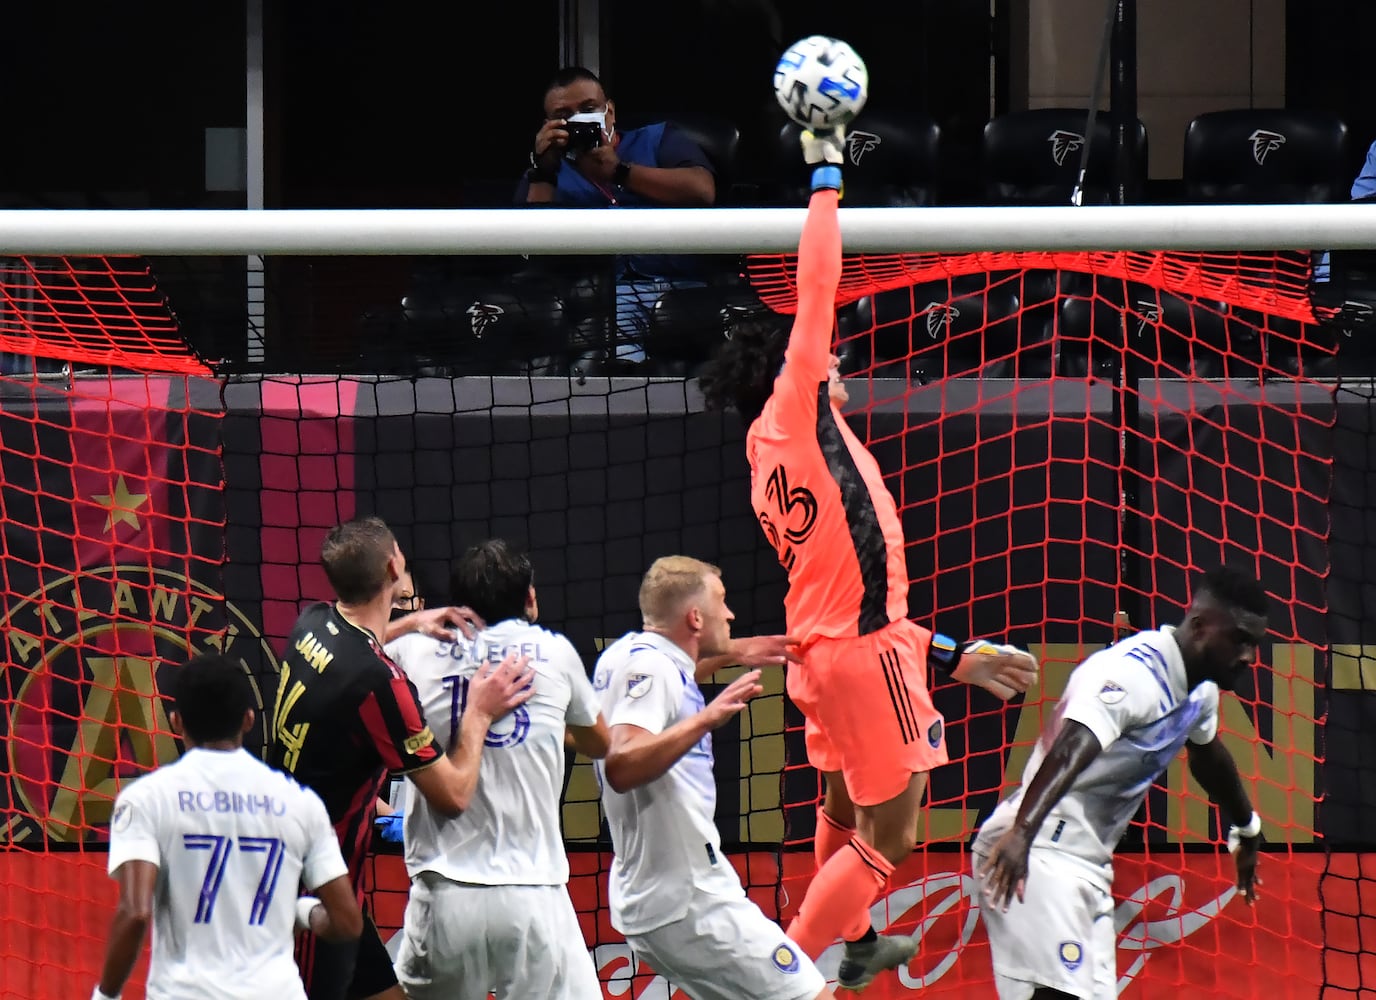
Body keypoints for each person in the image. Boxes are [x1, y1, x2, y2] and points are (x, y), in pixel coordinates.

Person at [697, 127, 1040, 988]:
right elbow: (818, 288)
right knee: (894, 837)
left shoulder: (763, 452)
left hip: (824, 654)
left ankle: (851, 942)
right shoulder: (798, 403)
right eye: (820, 356)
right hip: (858, 659)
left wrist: (957, 657)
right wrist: (824, 178)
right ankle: (788, 973)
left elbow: (863, 601)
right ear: (792, 371)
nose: (835, 355)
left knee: (843, 808)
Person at [267, 516, 534, 1000]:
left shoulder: (312, 623)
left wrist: (411, 621)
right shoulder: (380, 685)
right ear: (395, 565)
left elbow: (354, 649)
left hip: (316, 873)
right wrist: (479, 712)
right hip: (310, 888)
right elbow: (453, 794)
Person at [974, 565, 1269, 999]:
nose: (1248, 656)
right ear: (1200, 625)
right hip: (1038, 849)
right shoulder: (1133, 675)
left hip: (1086, 866)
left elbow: (1209, 757)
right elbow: (1070, 748)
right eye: (1240, 639)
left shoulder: (1199, 690)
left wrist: (1247, 827)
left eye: (1254, 644)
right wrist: (1023, 833)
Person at [594, 555, 835, 1000]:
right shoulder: (650, 670)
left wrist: (736, 651)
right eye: (721, 603)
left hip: (658, 898)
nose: (731, 613)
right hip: (690, 902)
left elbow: (676, 673)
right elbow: (622, 764)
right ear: (695, 617)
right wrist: (705, 720)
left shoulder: (626, 656)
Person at [384, 539, 610, 1000]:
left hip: (443, 896)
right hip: (532, 896)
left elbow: (349, 645)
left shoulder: (412, 649)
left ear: (456, 604)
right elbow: (600, 742)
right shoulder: (556, 653)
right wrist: (549, 720)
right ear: (529, 598)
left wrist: (408, 622)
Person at [96, 653, 363, 1000]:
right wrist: (301, 911)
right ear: (249, 720)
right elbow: (347, 922)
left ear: (176, 722)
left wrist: (106, 996)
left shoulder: (148, 798)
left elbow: (135, 913)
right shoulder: (301, 803)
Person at [517, 66, 718, 363]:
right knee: (623, 375)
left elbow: (702, 190)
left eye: (588, 109)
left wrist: (620, 172)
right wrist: (543, 171)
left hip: (684, 288)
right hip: (610, 297)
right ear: (548, 125)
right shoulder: (546, 172)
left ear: (609, 111)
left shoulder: (658, 138)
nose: (579, 121)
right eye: (565, 116)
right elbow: (528, 252)